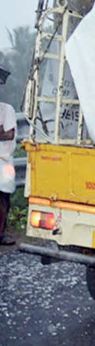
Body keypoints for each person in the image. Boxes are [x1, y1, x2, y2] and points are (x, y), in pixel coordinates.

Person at [0, 67, 16, 245]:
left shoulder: (7, 110)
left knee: (3, 198)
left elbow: (9, 134)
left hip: (4, 161)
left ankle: (1, 234)